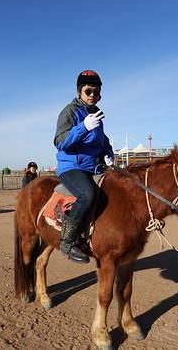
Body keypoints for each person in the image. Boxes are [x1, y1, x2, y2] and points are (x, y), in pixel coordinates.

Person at [53, 70, 114, 263]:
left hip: (94, 167)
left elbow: (102, 140)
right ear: (80, 91)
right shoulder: (69, 112)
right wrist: (83, 127)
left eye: (96, 92)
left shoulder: (96, 115)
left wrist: (108, 152)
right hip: (72, 167)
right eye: (88, 91)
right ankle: (68, 241)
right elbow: (60, 142)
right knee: (88, 194)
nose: (92, 95)